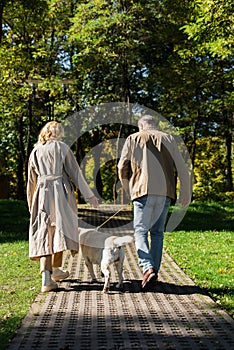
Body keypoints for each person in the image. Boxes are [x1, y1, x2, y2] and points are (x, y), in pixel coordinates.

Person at [118, 115, 191, 289]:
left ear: (141, 126)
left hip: (142, 191)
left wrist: (127, 189)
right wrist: (185, 192)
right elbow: (182, 167)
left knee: (140, 231)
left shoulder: (133, 138)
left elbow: (122, 166)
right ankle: (153, 273)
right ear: (155, 125)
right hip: (165, 192)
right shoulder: (169, 138)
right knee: (157, 233)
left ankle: (147, 267)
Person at [27, 121, 99, 292]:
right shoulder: (62, 148)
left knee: (45, 233)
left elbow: (31, 181)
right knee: (61, 230)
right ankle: (53, 272)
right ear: (58, 133)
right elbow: (75, 173)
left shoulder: (35, 151)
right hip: (60, 193)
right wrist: (90, 196)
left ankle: (51, 274)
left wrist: (32, 204)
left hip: (42, 194)